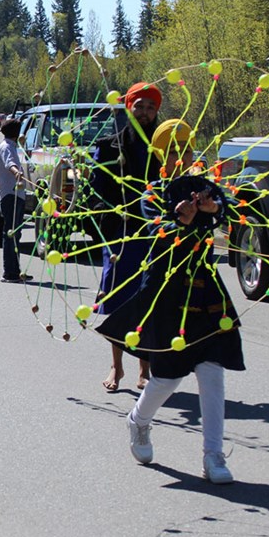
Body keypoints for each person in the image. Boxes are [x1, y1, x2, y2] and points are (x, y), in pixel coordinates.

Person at [96, 120, 243, 485]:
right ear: (161, 154)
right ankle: (139, 421)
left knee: (212, 373)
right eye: (174, 150)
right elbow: (156, 231)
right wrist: (181, 221)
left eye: (187, 149)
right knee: (167, 377)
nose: (182, 156)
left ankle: (213, 456)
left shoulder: (206, 188)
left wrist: (211, 211)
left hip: (206, 290)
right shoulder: (153, 193)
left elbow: (226, 215)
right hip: (166, 292)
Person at [91, 81, 162, 392]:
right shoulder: (109, 147)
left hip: (157, 235)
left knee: (148, 301)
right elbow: (94, 191)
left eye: (151, 108)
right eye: (140, 107)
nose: (145, 113)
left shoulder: (166, 146)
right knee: (118, 300)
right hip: (120, 236)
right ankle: (116, 366)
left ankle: (145, 367)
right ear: (129, 108)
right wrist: (108, 219)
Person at [0, 118, 30, 283]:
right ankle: (9, 272)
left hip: (15, 195)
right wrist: (17, 173)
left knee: (15, 234)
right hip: (11, 196)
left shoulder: (11, 146)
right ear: (16, 133)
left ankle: (15, 270)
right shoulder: (6, 148)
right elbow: (10, 165)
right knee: (11, 233)